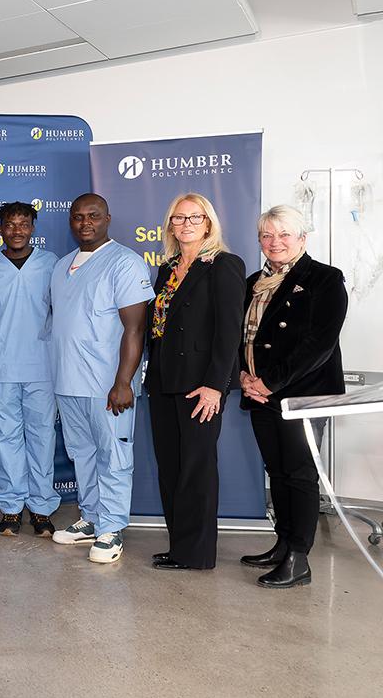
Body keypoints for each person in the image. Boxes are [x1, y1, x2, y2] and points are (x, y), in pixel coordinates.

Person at [240, 205, 347, 588]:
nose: (275, 242)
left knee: (299, 474)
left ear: (302, 238)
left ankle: (299, 558)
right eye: (267, 236)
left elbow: (318, 344)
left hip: (303, 395)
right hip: (259, 393)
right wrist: (244, 375)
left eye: (284, 235)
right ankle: (283, 544)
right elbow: (245, 338)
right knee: (278, 472)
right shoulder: (254, 281)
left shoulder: (324, 279)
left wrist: (269, 382)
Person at [49, 193, 153, 564]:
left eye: (93, 215)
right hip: (68, 381)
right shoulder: (62, 266)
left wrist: (124, 382)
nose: (85, 223)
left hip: (108, 385)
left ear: (108, 218)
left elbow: (135, 329)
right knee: (83, 455)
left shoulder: (125, 263)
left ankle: (112, 529)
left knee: (114, 456)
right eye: (78, 217)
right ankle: (91, 518)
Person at [144, 194, 245, 571]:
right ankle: (179, 547)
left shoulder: (224, 265)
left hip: (201, 385)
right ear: (170, 225)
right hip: (163, 381)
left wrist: (216, 385)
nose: (185, 224)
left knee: (197, 469)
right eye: (178, 218)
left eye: (194, 217)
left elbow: (229, 329)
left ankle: (198, 554)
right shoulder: (167, 268)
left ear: (208, 223)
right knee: (170, 467)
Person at [0, 202, 60, 538]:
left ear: (33, 228)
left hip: (43, 364)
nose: (17, 230)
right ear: (0, 230)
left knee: (42, 437)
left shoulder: (52, 264)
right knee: (6, 437)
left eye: (23, 223)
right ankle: (11, 508)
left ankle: (41, 508)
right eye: (10, 224)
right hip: (2, 366)